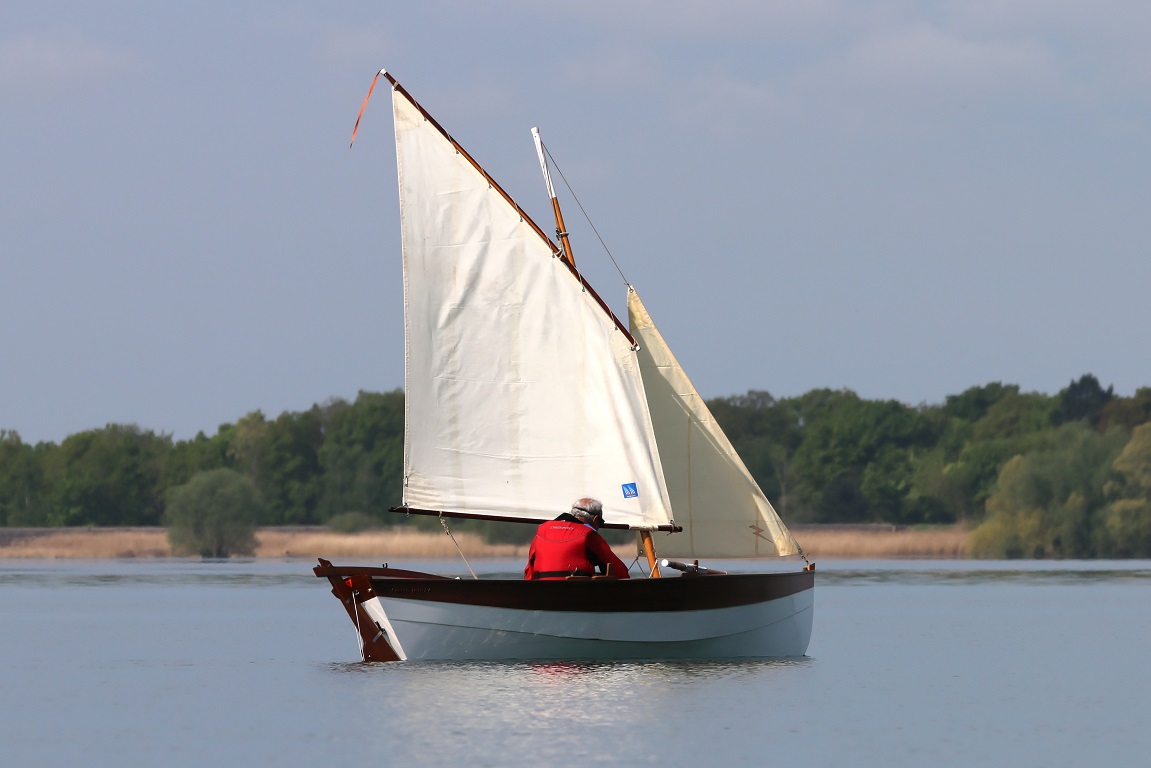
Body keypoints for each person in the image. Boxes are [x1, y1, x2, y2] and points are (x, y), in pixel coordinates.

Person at [524, 497, 631, 580]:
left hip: (540, 591)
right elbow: (620, 573)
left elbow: (529, 573)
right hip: (576, 592)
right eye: (601, 523)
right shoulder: (590, 536)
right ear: (595, 519)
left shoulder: (542, 531)